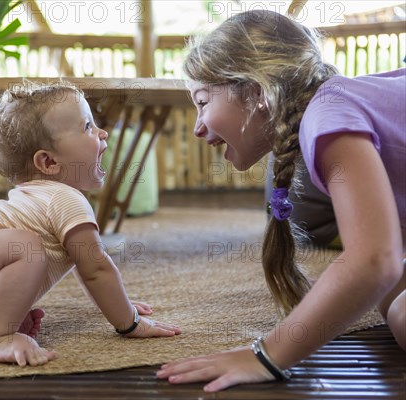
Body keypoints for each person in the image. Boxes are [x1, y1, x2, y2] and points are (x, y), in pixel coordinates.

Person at [157, 9, 405, 392]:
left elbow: (373, 260)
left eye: (203, 102)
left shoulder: (329, 115)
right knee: (390, 300)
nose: (197, 127)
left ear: (257, 92)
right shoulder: (333, 108)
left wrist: (267, 354)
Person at [0, 81, 181, 367]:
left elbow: (86, 268)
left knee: (25, 249)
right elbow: (96, 269)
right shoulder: (65, 198)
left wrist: (117, 303)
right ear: (48, 162)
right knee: (25, 246)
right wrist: (130, 323)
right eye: (87, 127)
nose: (102, 132)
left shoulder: (43, 199)